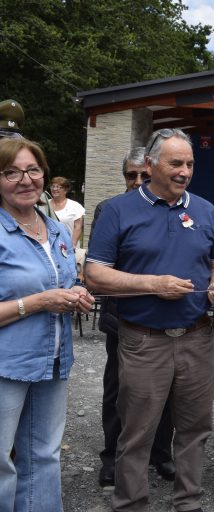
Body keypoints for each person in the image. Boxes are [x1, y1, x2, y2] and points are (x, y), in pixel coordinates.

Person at [85, 128, 214, 512]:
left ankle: (188, 502)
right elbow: (95, 274)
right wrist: (153, 284)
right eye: (176, 163)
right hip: (143, 340)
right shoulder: (119, 209)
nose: (185, 171)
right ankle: (131, 503)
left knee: (196, 429)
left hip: (199, 338)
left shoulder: (204, 209)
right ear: (150, 165)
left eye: (190, 164)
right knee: (137, 432)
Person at [0, 137, 94, 510]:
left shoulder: (55, 230)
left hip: (52, 362)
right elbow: (42, 295)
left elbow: (64, 281)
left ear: (44, 175)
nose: (25, 179)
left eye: (33, 170)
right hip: (6, 365)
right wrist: (40, 302)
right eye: (11, 172)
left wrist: (77, 292)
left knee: (44, 456)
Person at [89, 147, 175, 488]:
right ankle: (112, 457)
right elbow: (99, 266)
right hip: (122, 317)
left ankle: (160, 454)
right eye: (131, 175)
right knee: (118, 390)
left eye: (143, 175)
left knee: (167, 390)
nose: (137, 181)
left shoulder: (170, 207)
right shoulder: (110, 209)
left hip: (164, 317)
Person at [50, 176, 85, 247]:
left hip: (67, 246)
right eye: (53, 186)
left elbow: (78, 227)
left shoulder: (75, 206)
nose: (54, 189)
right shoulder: (45, 204)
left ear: (65, 190)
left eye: (59, 187)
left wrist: (72, 245)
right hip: (50, 245)